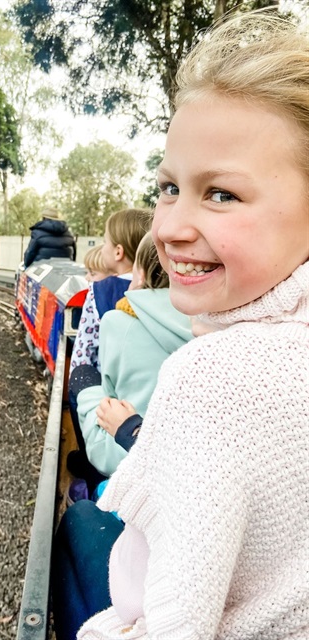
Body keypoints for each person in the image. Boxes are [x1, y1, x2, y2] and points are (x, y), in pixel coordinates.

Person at [73, 11, 309, 640]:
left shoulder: (211, 379)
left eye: (222, 194)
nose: (168, 228)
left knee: (77, 528)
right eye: (169, 187)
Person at [76, 232, 193, 477]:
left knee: (83, 376)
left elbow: (110, 394)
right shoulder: (211, 322)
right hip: (182, 456)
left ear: (139, 273)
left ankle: (86, 473)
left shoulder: (119, 320)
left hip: (124, 447)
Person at [70, 208, 153, 374]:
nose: (102, 247)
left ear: (118, 252)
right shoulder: (161, 289)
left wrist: (80, 394)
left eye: (105, 241)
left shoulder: (98, 291)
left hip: (106, 390)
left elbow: (84, 352)